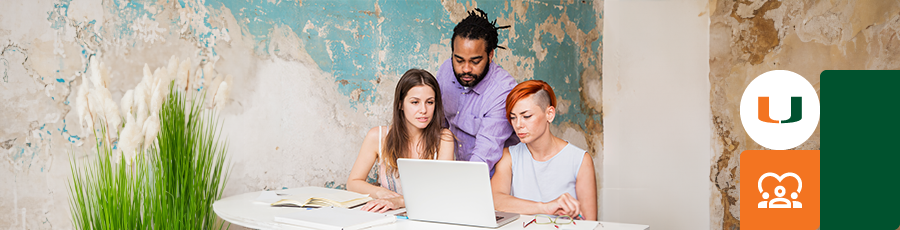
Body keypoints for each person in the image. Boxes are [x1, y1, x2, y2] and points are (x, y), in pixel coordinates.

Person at [347, 69, 455, 213]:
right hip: (388, 218)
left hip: (430, 217)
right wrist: (380, 193)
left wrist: (400, 201)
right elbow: (353, 183)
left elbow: (443, 191)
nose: (423, 110)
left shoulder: (444, 139)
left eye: (430, 102)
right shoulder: (377, 136)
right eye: (415, 102)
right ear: (400, 104)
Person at [490, 80, 597, 220]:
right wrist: (545, 207)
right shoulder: (508, 157)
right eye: (513, 117)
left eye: (526, 116)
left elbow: (590, 222)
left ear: (550, 114)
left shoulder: (580, 160)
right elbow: (494, 201)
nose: (518, 124)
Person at [437, 8, 518, 176]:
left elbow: (482, 159)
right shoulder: (446, 71)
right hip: (458, 172)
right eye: (459, 60)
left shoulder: (503, 91)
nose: (465, 69)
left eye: (475, 61)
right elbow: (438, 126)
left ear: (490, 55)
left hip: (492, 179)